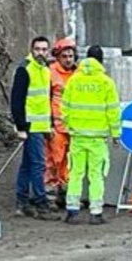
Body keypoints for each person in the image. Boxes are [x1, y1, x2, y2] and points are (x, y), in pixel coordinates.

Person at [62, 45, 121, 225]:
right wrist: (116, 134)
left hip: (78, 136)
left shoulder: (74, 80)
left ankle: (72, 210)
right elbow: (113, 111)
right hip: (97, 139)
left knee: (75, 174)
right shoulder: (106, 82)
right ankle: (96, 212)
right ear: (101, 61)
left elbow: (65, 107)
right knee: (96, 175)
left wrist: (69, 127)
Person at [9, 35, 53, 217]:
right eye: (37, 49)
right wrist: (20, 127)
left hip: (40, 126)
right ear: (31, 50)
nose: (41, 53)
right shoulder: (24, 70)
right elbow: (17, 100)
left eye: (44, 49)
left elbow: (45, 100)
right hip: (30, 126)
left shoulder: (45, 70)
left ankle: (22, 202)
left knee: (27, 165)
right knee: (38, 165)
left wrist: (48, 125)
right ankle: (41, 203)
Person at [45, 38, 79, 207]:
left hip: (72, 126)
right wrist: (48, 123)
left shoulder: (78, 74)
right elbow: (45, 99)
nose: (68, 59)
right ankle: (50, 194)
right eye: (64, 56)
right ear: (58, 57)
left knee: (69, 161)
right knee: (53, 160)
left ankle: (65, 193)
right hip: (56, 126)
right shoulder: (51, 73)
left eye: (70, 56)